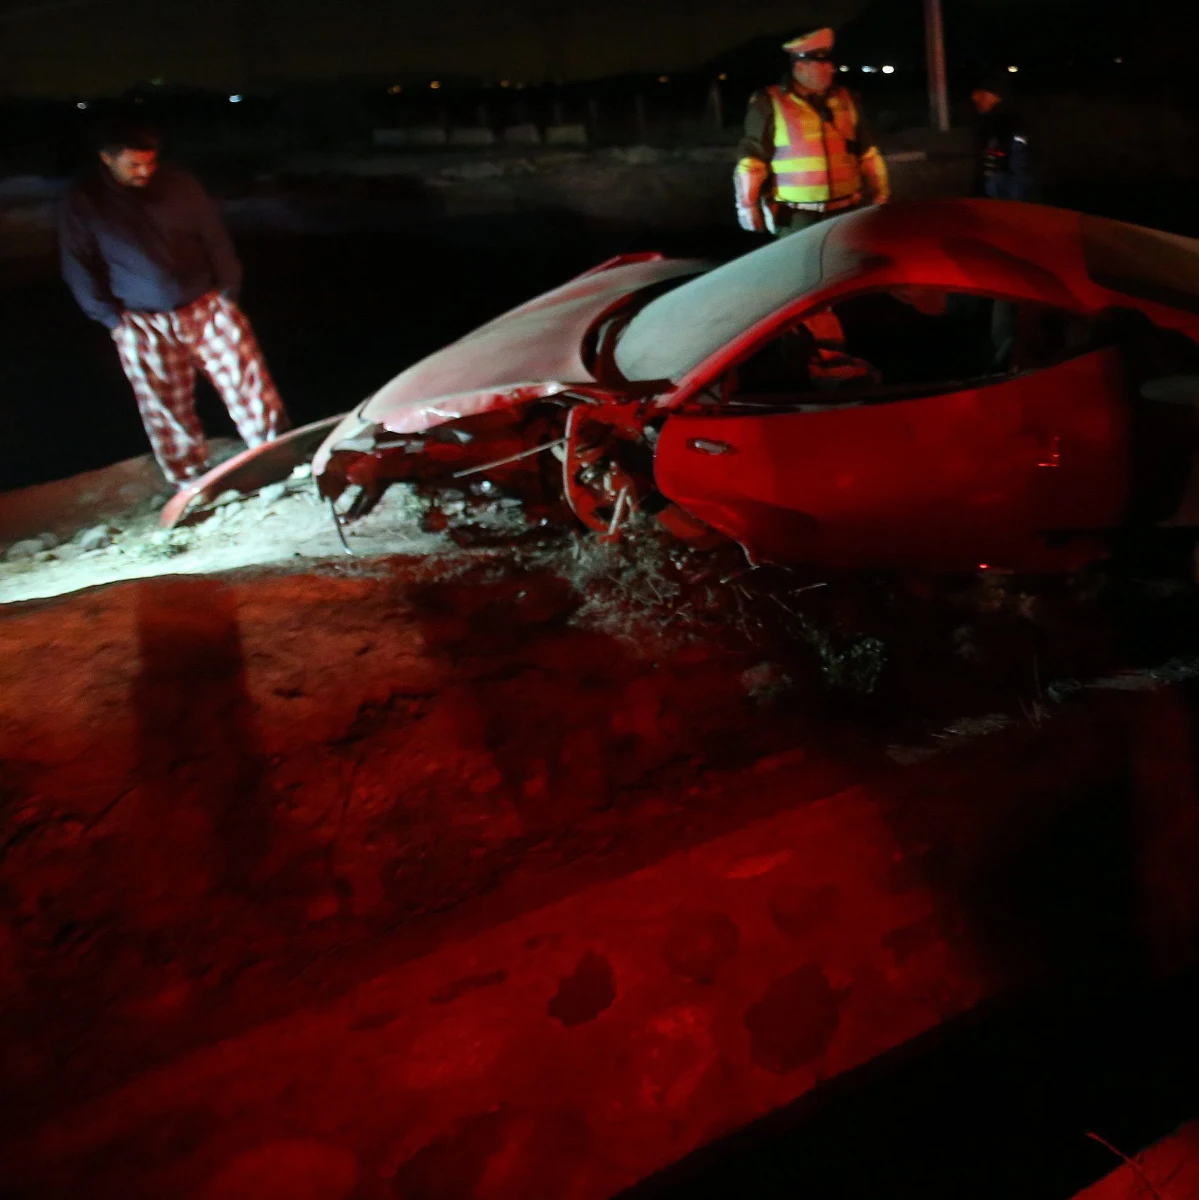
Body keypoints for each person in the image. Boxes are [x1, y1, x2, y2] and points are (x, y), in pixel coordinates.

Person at [59, 121, 289, 490]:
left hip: (206, 307)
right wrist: (110, 319)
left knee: (248, 384)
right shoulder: (85, 201)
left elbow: (215, 237)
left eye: (150, 162)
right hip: (140, 321)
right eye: (134, 165)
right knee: (166, 406)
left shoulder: (179, 185)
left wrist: (228, 291)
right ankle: (191, 480)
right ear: (107, 158)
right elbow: (78, 264)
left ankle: (275, 456)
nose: (145, 171)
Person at [734, 26, 890, 237]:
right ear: (800, 66)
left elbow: (868, 153)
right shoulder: (769, 103)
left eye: (830, 62)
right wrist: (747, 207)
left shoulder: (846, 99)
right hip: (797, 219)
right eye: (822, 63)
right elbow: (752, 161)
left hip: (847, 213)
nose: (831, 69)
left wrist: (881, 193)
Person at [971, 74, 1039, 201]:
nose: (974, 98)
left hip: (1008, 195)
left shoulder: (1010, 122)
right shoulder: (989, 122)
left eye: (980, 94)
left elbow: (1019, 166)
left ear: (991, 96)